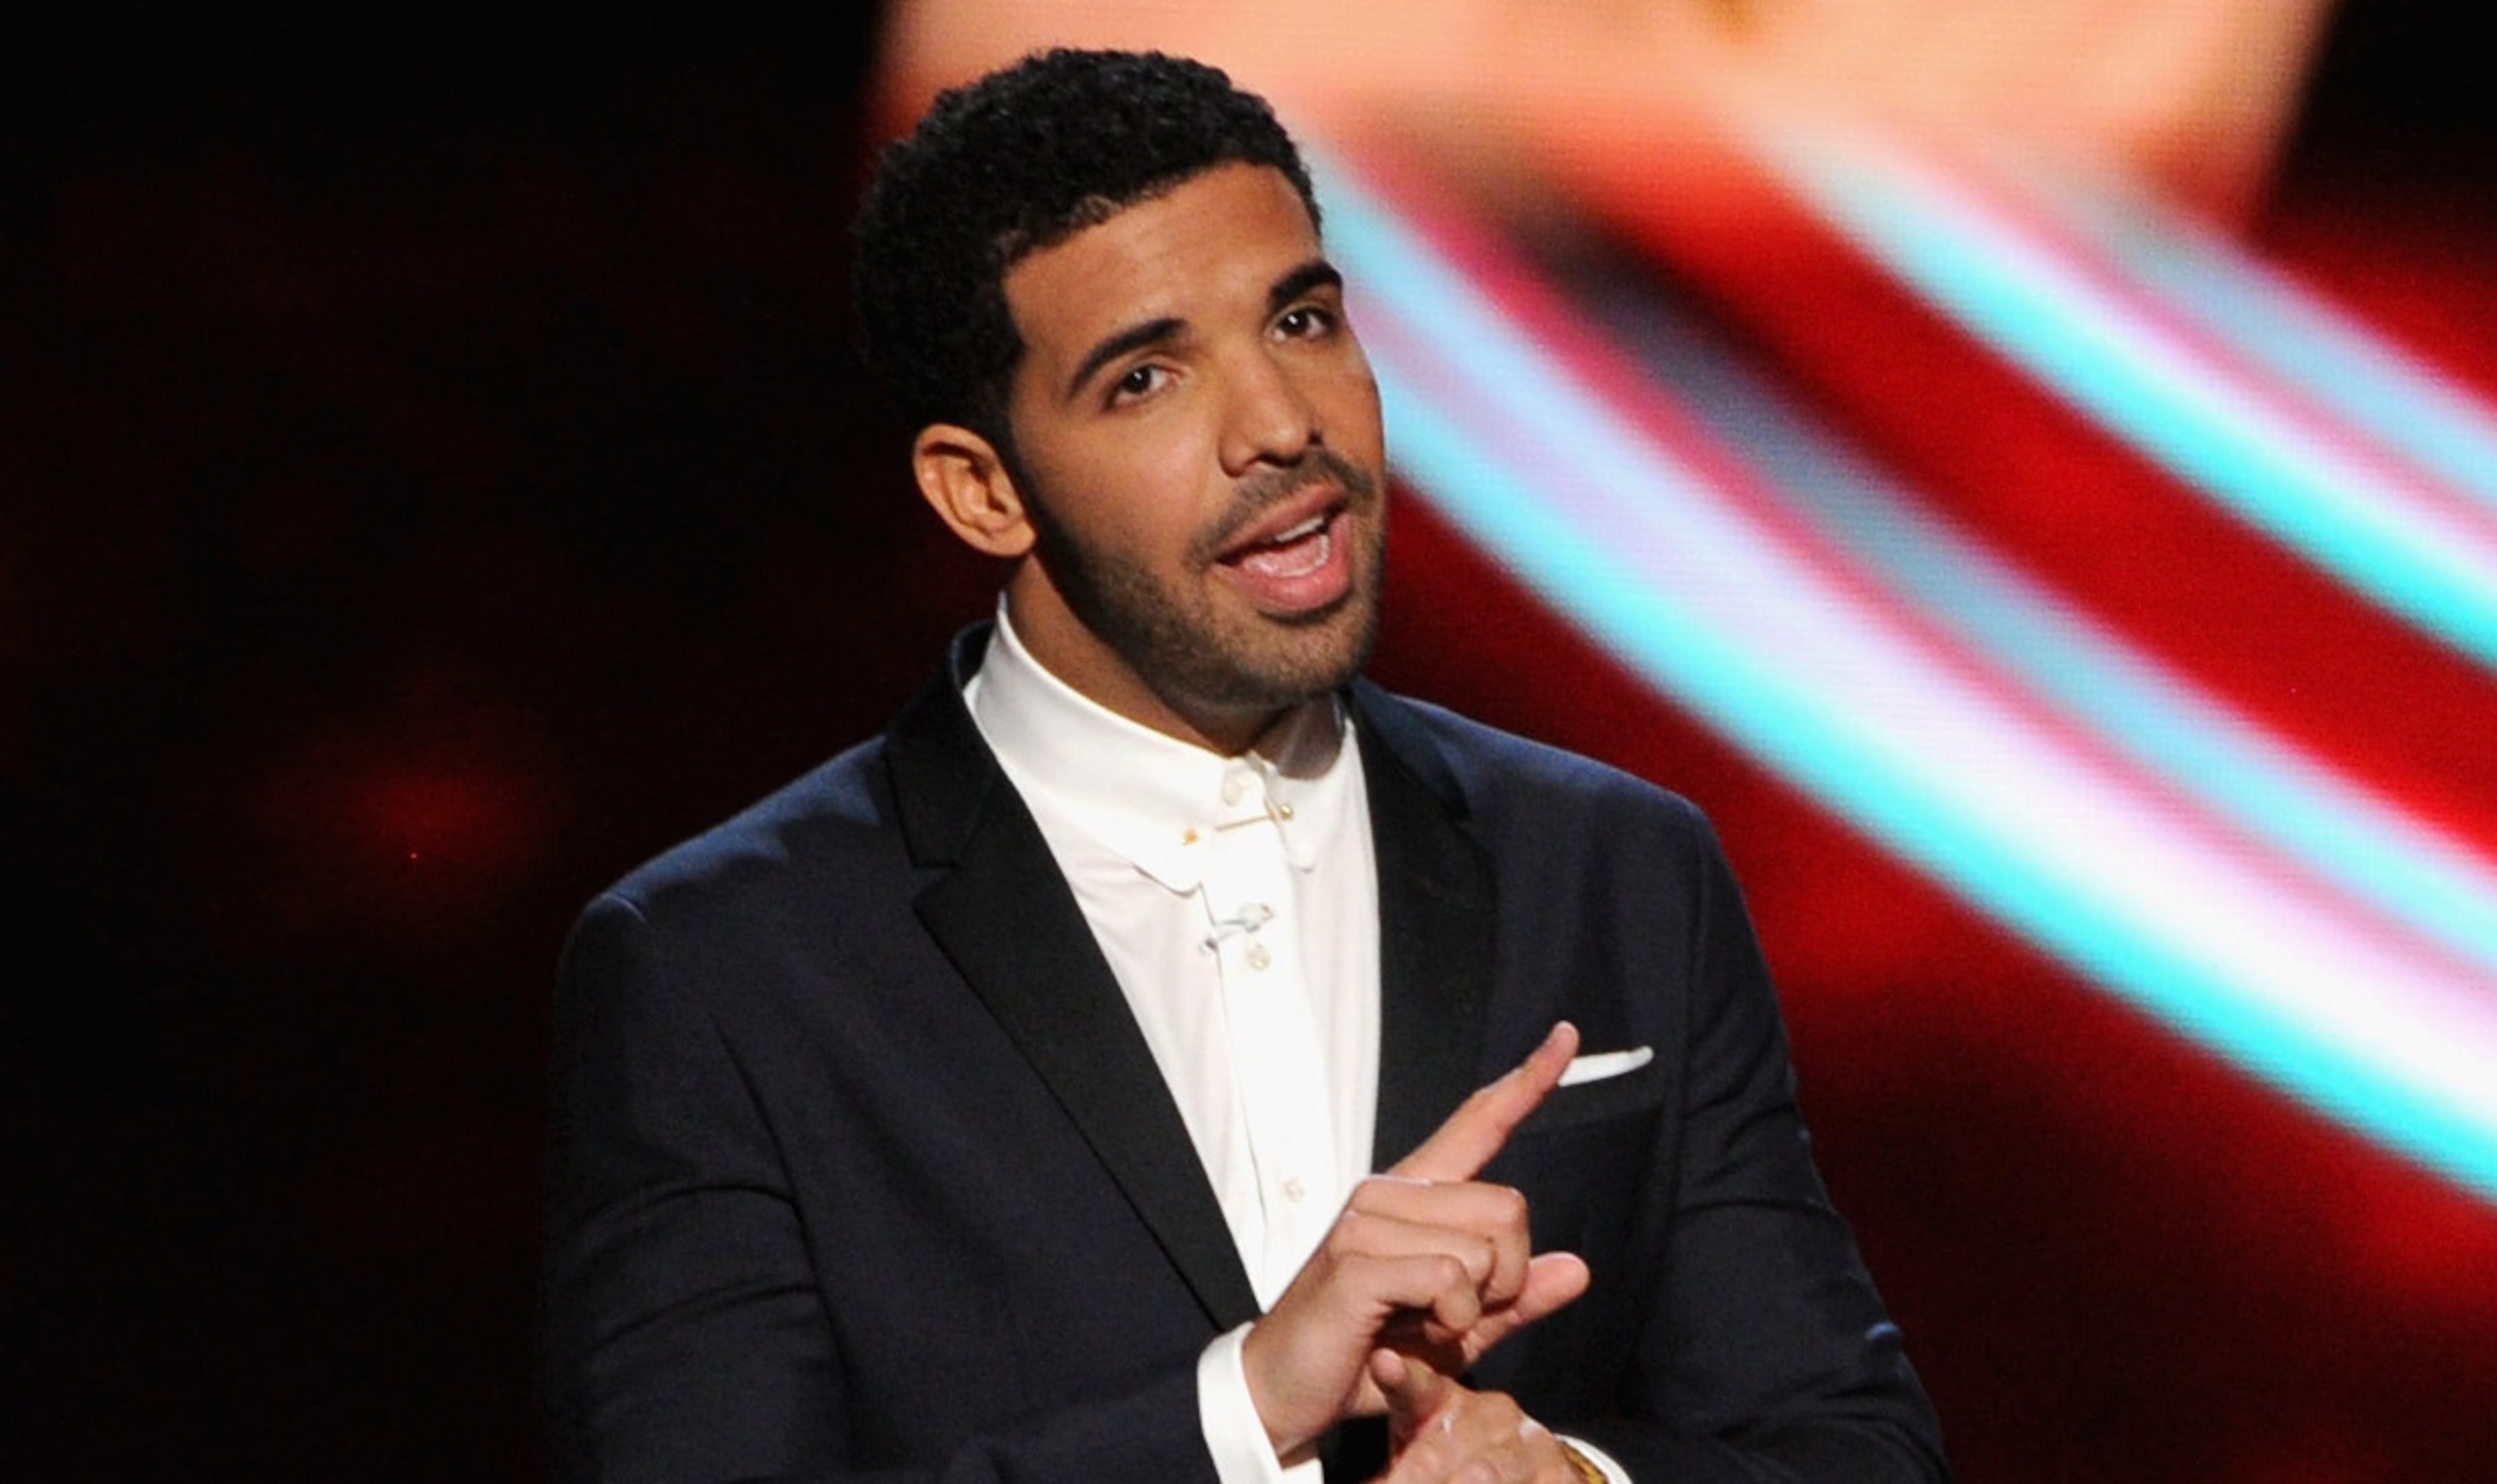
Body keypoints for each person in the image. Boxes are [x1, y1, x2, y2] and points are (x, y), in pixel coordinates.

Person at [541, 47, 1947, 1484]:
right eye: (1145, 378)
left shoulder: (1613, 869)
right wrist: (1244, 1412)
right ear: (982, 489)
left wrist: (1579, 1482)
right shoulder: (726, 971)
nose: (1283, 425)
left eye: (1302, 318)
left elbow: (1854, 1452)